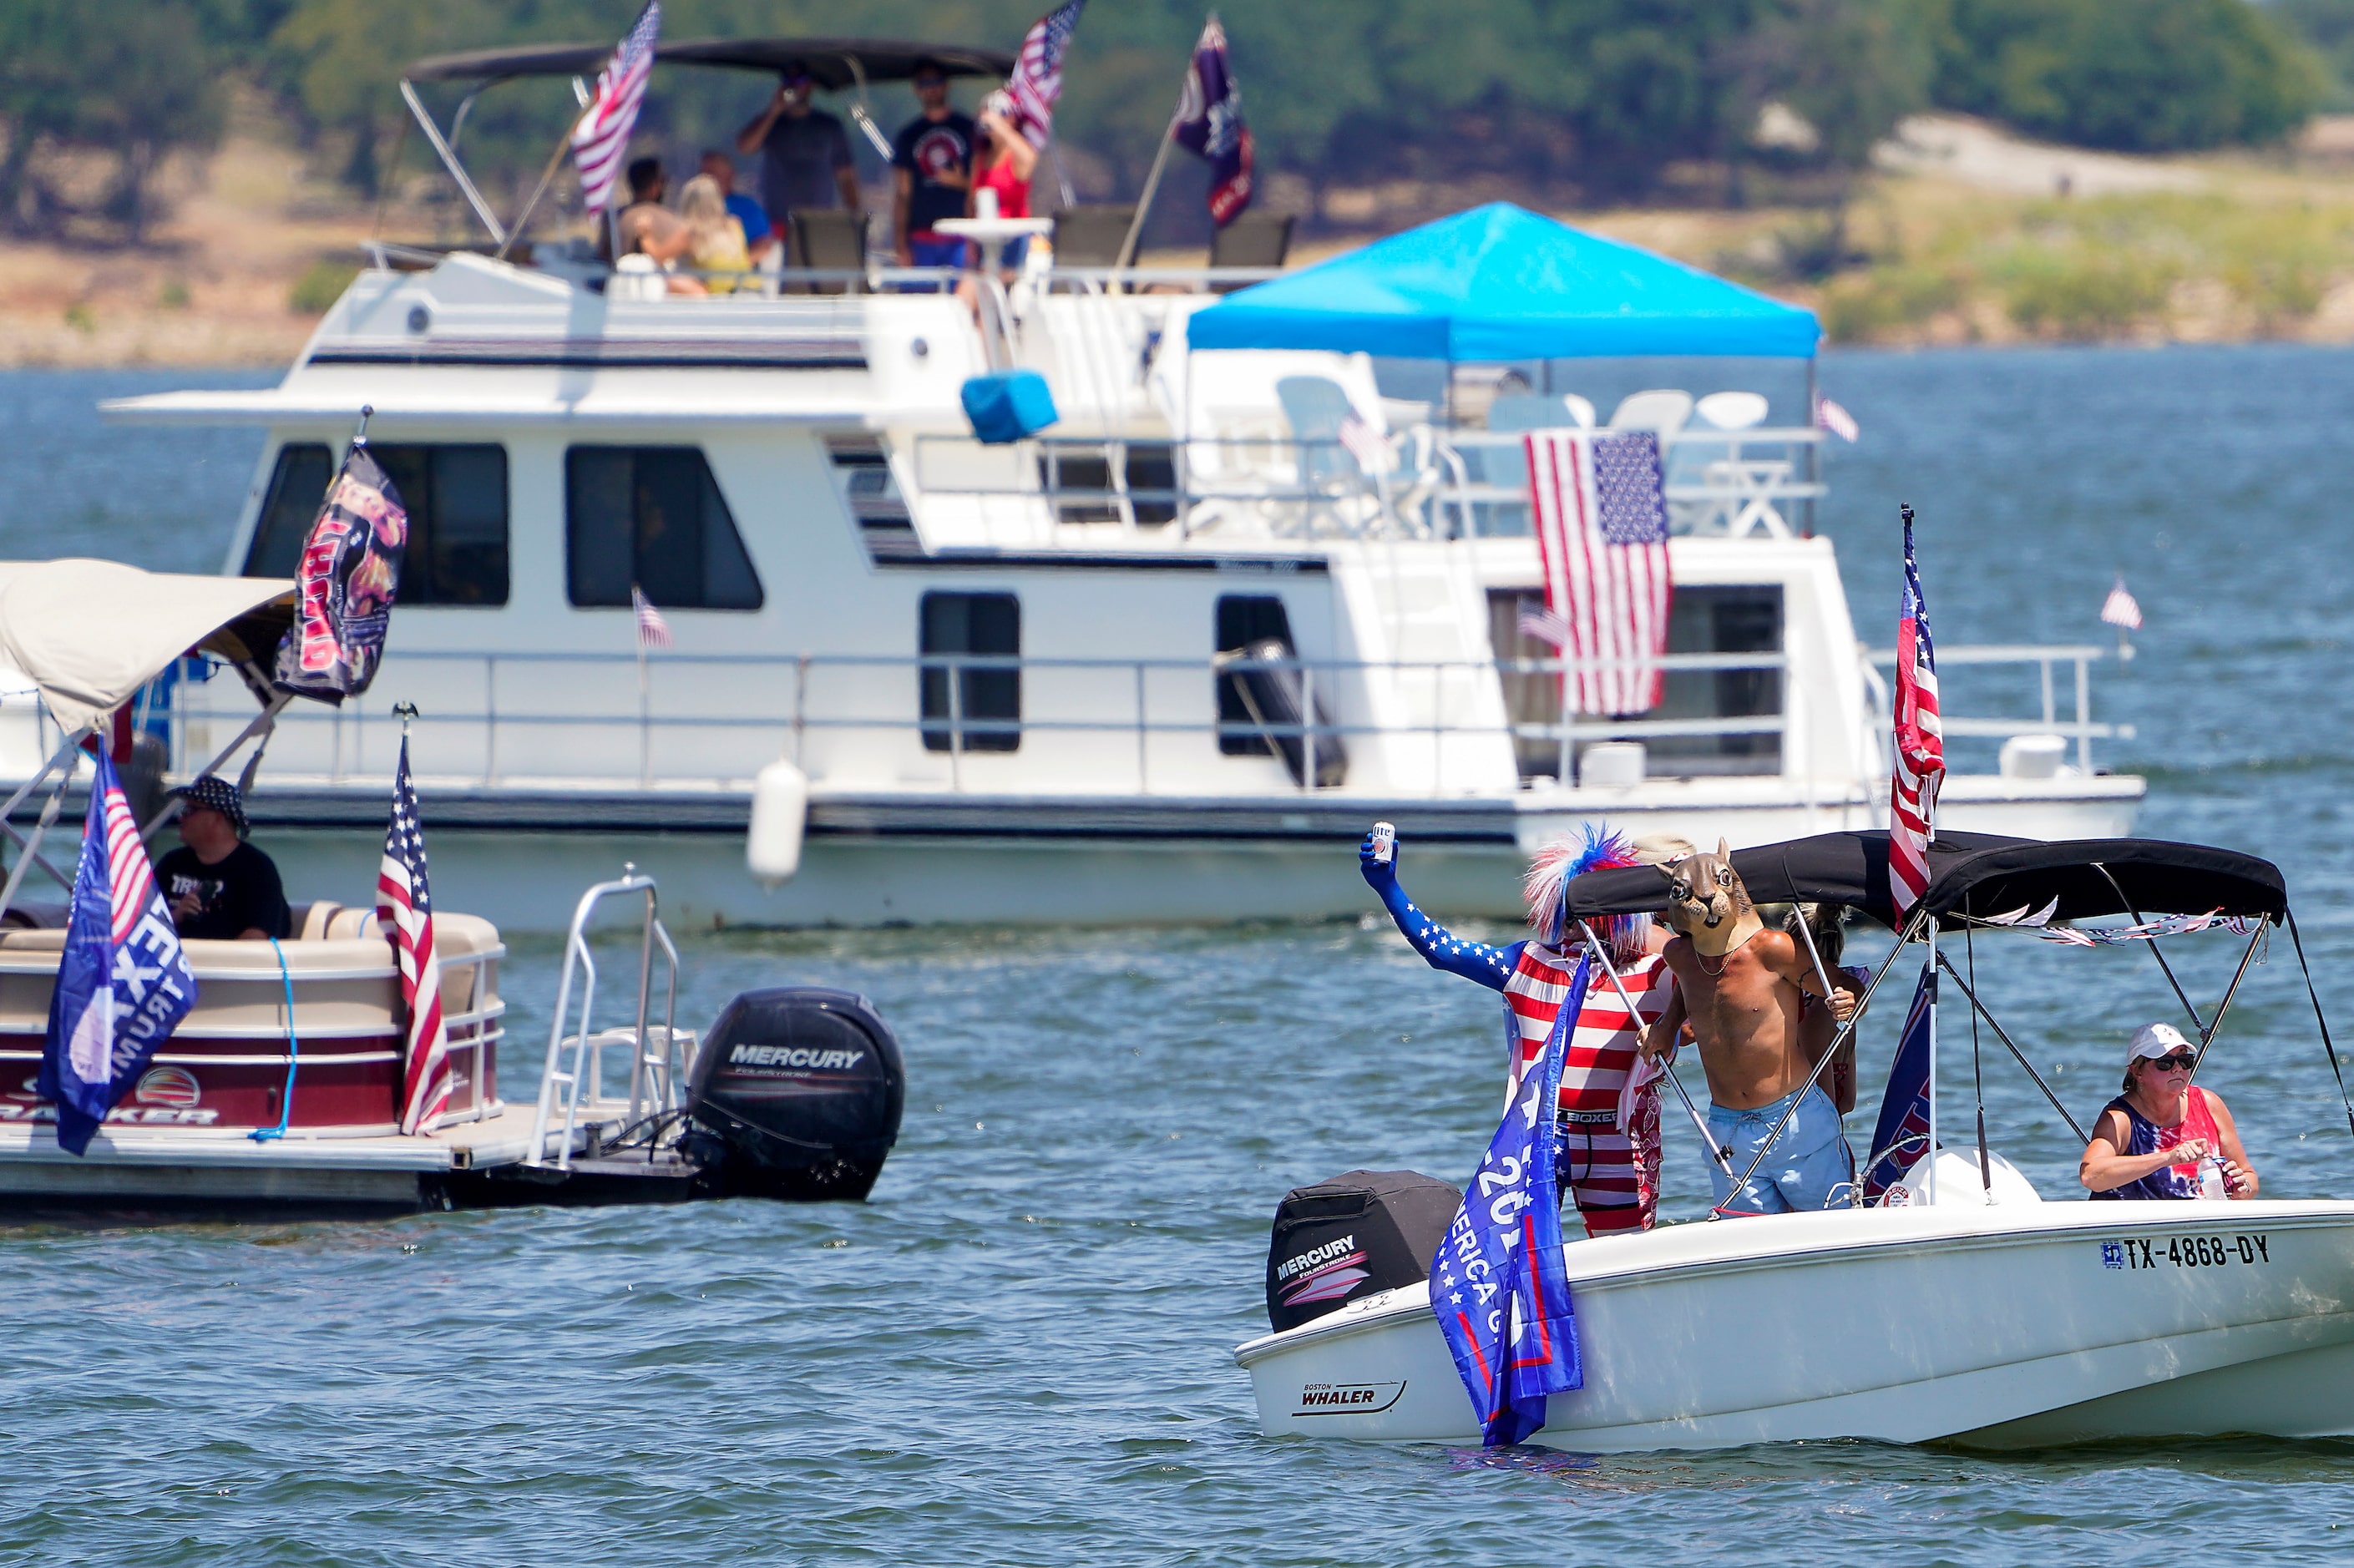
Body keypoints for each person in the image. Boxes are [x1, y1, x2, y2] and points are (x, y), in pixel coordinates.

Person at [1361, 823, 1675, 1238]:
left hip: (1616, 1140)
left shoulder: (1659, 971)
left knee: (1626, 1256)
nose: (1575, 922)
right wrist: (1388, 888)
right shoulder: (1526, 964)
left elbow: (1722, 980)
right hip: (1540, 1132)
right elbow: (1439, 949)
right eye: (1570, 908)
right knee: (1519, 1255)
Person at [1640, 841, 1862, 1214]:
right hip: (1727, 1128)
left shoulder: (1771, 948)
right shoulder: (1679, 956)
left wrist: (1848, 999)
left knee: (1832, 1233)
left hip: (1795, 1118)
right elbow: (1687, 986)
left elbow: (1849, 983)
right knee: (1745, 1243)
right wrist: (1667, 1025)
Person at [2080, 1023, 2258, 1200]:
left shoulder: (2210, 1105)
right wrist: (2168, 1157)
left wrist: (2243, 1188)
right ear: (2137, 1071)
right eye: (2165, 1063)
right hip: (2137, 1224)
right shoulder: (2120, 1119)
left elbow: (2249, 1175)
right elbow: (2091, 1175)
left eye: (2184, 1060)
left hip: (2200, 1224)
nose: (2178, 1068)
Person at [154, 776, 289, 943]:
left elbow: (257, 937)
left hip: (224, 966)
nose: (181, 818)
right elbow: (140, 923)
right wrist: (176, 915)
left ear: (217, 818)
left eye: (190, 810)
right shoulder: (172, 863)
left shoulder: (257, 869)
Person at [735, 63, 858, 240]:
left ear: (811, 85)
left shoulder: (829, 126)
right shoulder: (771, 125)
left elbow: (846, 177)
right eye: (788, 80)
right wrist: (774, 111)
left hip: (818, 224)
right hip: (777, 223)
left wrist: (854, 222)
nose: (794, 86)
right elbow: (745, 147)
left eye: (800, 80)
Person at [892, 59, 975, 272]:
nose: (930, 88)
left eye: (936, 82)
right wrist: (901, 245)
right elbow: (902, 193)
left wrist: (960, 182)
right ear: (916, 89)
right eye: (924, 83)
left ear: (947, 85)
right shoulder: (909, 135)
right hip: (920, 236)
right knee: (919, 303)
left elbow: (985, 184)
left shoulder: (969, 130)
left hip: (961, 234)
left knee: (961, 301)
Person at [614, 158, 706, 296]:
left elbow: (605, 256)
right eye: (664, 181)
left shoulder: (615, 219)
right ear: (655, 186)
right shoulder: (671, 221)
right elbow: (660, 257)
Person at [677, 174, 752, 293]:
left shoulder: (690, 232)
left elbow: (659, 256)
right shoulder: (734, 225)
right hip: (749, 290)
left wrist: (646, 236)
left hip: (717, 297)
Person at [698, 149, 774, 261]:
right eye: (704, 174)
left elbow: (764, 244)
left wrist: (738, 266)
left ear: (730, 176)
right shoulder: (693, 206)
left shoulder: (748, 209)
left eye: (713, 174)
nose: (707, 180)